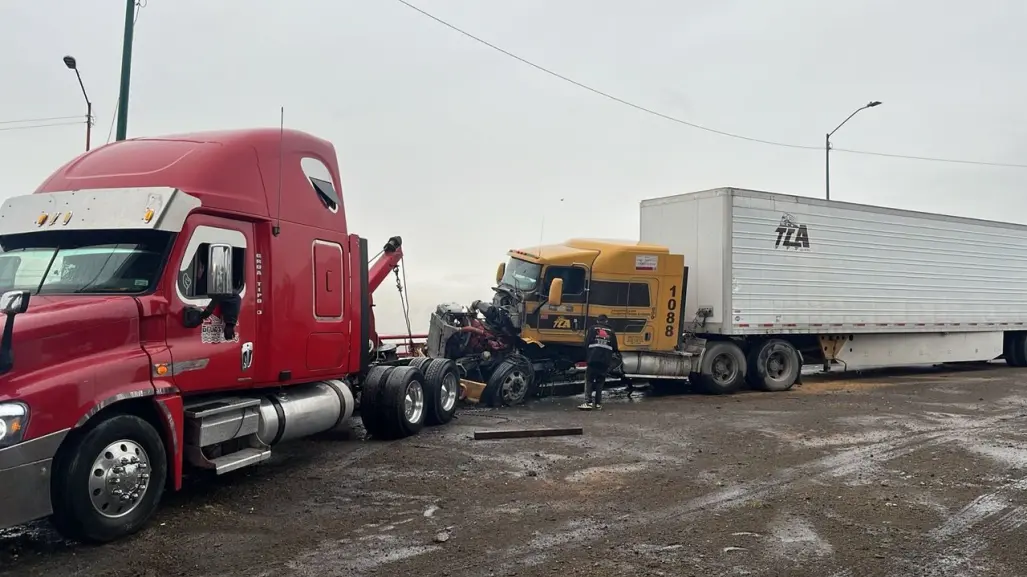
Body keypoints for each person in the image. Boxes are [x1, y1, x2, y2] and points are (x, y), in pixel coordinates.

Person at [579, 314, 619, 410]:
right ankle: (598, 404)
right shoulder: (611, 332)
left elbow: (586, 343)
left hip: (593, 359)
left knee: (589, 380)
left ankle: (588, 402)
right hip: (605, 361)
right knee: (600, 382)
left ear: (597, 321)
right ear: (606, 321)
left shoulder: (592, 329)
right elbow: (615, 348)